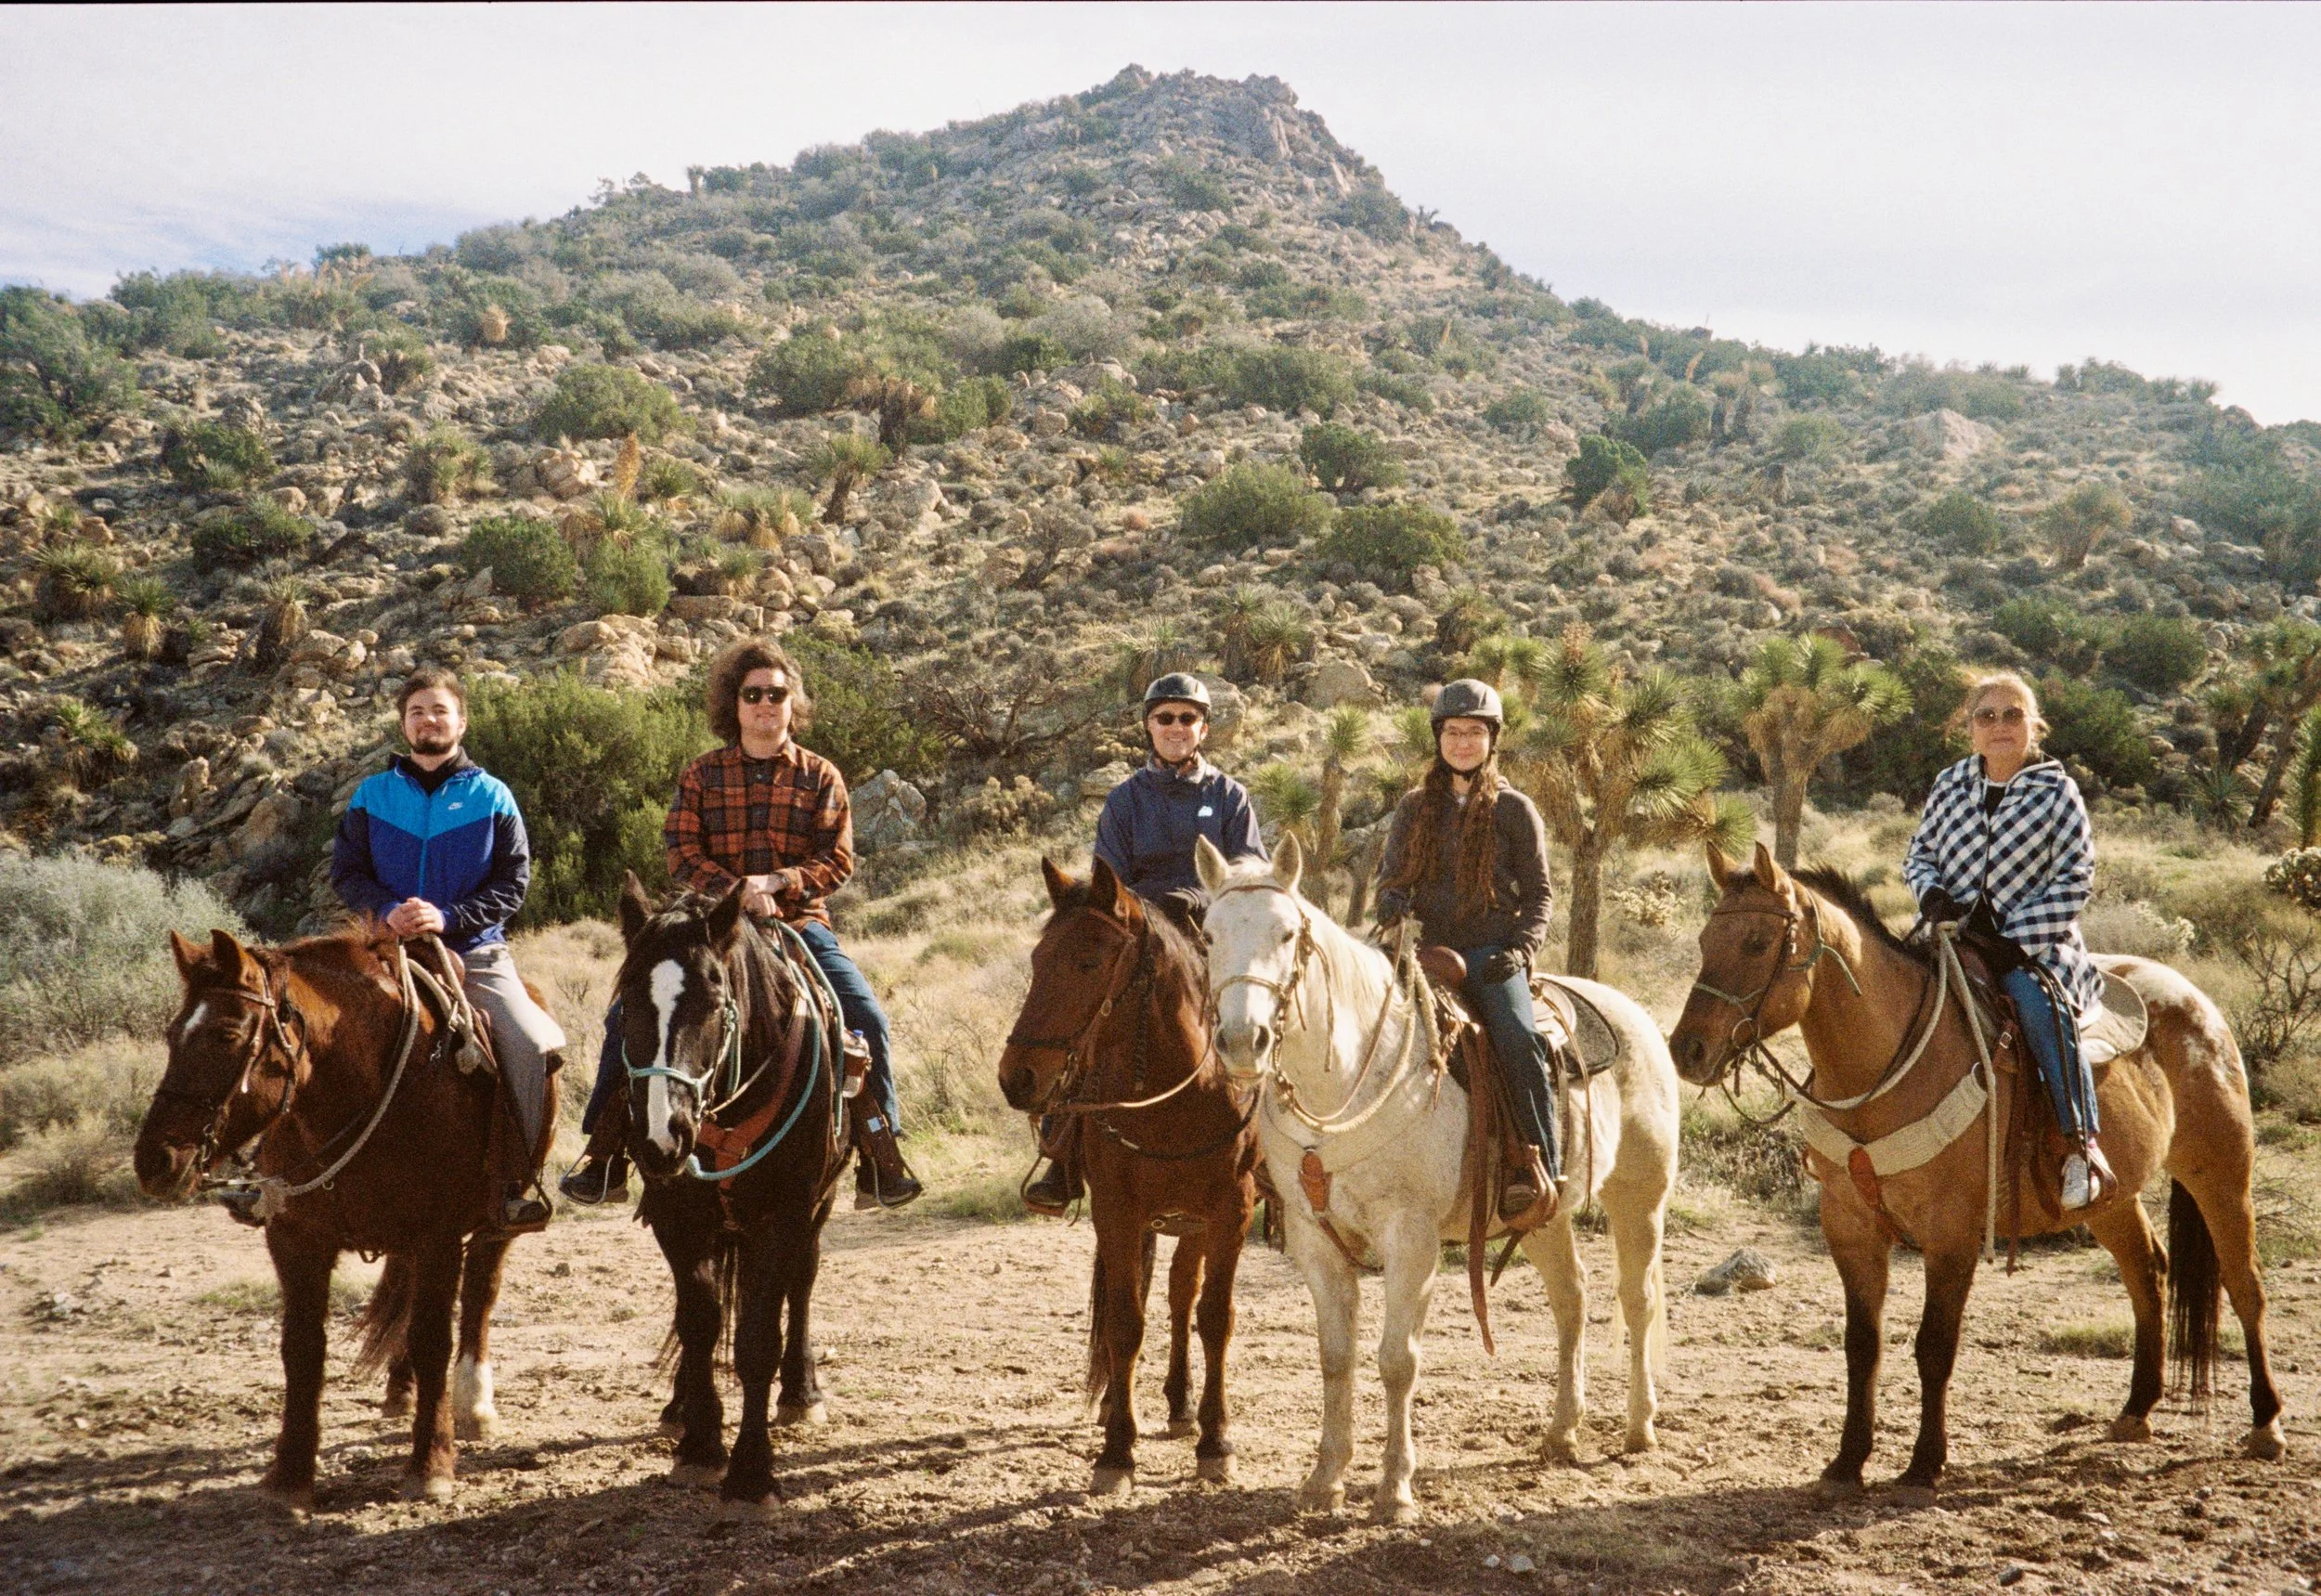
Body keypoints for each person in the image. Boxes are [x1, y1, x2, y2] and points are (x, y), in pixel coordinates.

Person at [560, 638, 921, 1211]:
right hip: (709, 929)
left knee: (864, 1016)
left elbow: (838, 860)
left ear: (791, 702)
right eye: (753, 694)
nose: (764, 704)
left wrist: (777, 885)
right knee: (624, 1017)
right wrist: (734, 894)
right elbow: (680, 851)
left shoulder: (821, 775)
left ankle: (881, 1156)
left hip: (796, 924)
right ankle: (605, 1155)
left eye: (776, 694)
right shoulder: (702, 775)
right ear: (734, 703)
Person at [325, 666, 565, 1234]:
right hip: (384, 949)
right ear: (403, 726)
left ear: (461, 721)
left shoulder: (493, 796)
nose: (428, 720)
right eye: (417, 712)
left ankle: (514, 1184)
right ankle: (277, 1178)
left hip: (475, 952)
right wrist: (388, 911)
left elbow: (514, 883)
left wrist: (450, 916)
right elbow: (346, 872)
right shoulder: (371, 795)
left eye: (439, 710)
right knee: (299, 1030)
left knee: (531, 1045)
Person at [1020, 672, 1266, 1216]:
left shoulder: (1229, 796)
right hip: (1139, 935)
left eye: (1187, 718)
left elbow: (1249, 872)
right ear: (1149, 727)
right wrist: (1149, 910)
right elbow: (1109, 878)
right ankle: (1061, 1157)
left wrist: (1199, 900)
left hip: (1209, 933)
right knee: (1086, 1017)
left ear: (1203, 727)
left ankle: (1277, 1152)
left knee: (1262, 1011)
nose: (1176, 727)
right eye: (1165, 718)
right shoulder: (1125, 800)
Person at [1904, 671, 2115, 1210]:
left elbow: (2076, 876)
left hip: (2036, 948)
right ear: (1970, 729)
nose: (1999, 725)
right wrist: (1931, 898)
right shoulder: (1950, 783)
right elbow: (1919, 854)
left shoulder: (2057, 791)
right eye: (1987, 715)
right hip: (1952, 937)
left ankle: (2080, 1147)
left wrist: (2015, 942)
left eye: (2013, 714)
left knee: (2038, 1008)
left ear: (2034, 725)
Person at [1372, 679, 1559, 1224]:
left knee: (1520, 1039)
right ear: (1438, 738)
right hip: (1424, 951)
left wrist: (1522, 949)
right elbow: (1389, 879)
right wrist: (1392, 901)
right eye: (1453, 732)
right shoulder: (1412, 809)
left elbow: (1541, 894)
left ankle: (1537, 1163)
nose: (1462, 742)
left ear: (1491, 740)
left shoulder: (1515, 810)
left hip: (1490, 953)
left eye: (1474, 732)